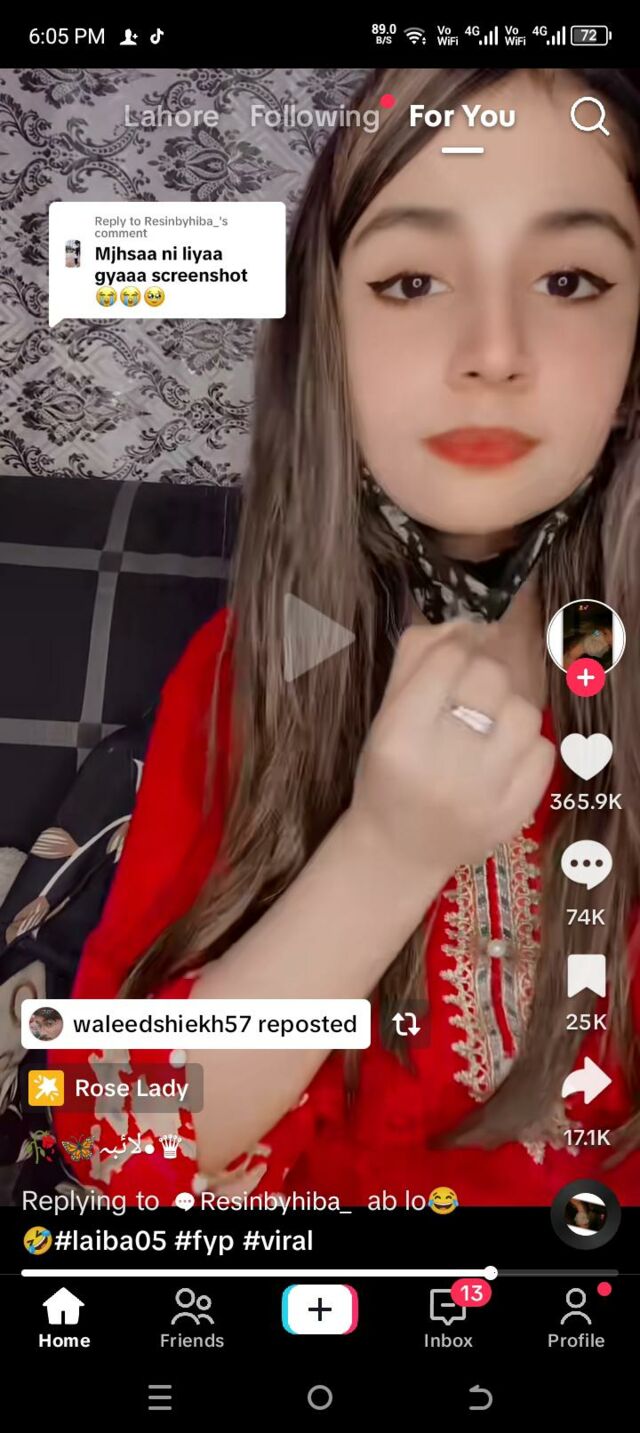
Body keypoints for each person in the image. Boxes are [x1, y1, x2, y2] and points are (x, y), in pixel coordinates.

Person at [53, 66, 640, 1207]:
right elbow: (119, 1141)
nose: (493, 349)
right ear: (327, 340)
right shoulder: (254, 668)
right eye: (412, 280)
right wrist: (386, 851)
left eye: (568, 280)